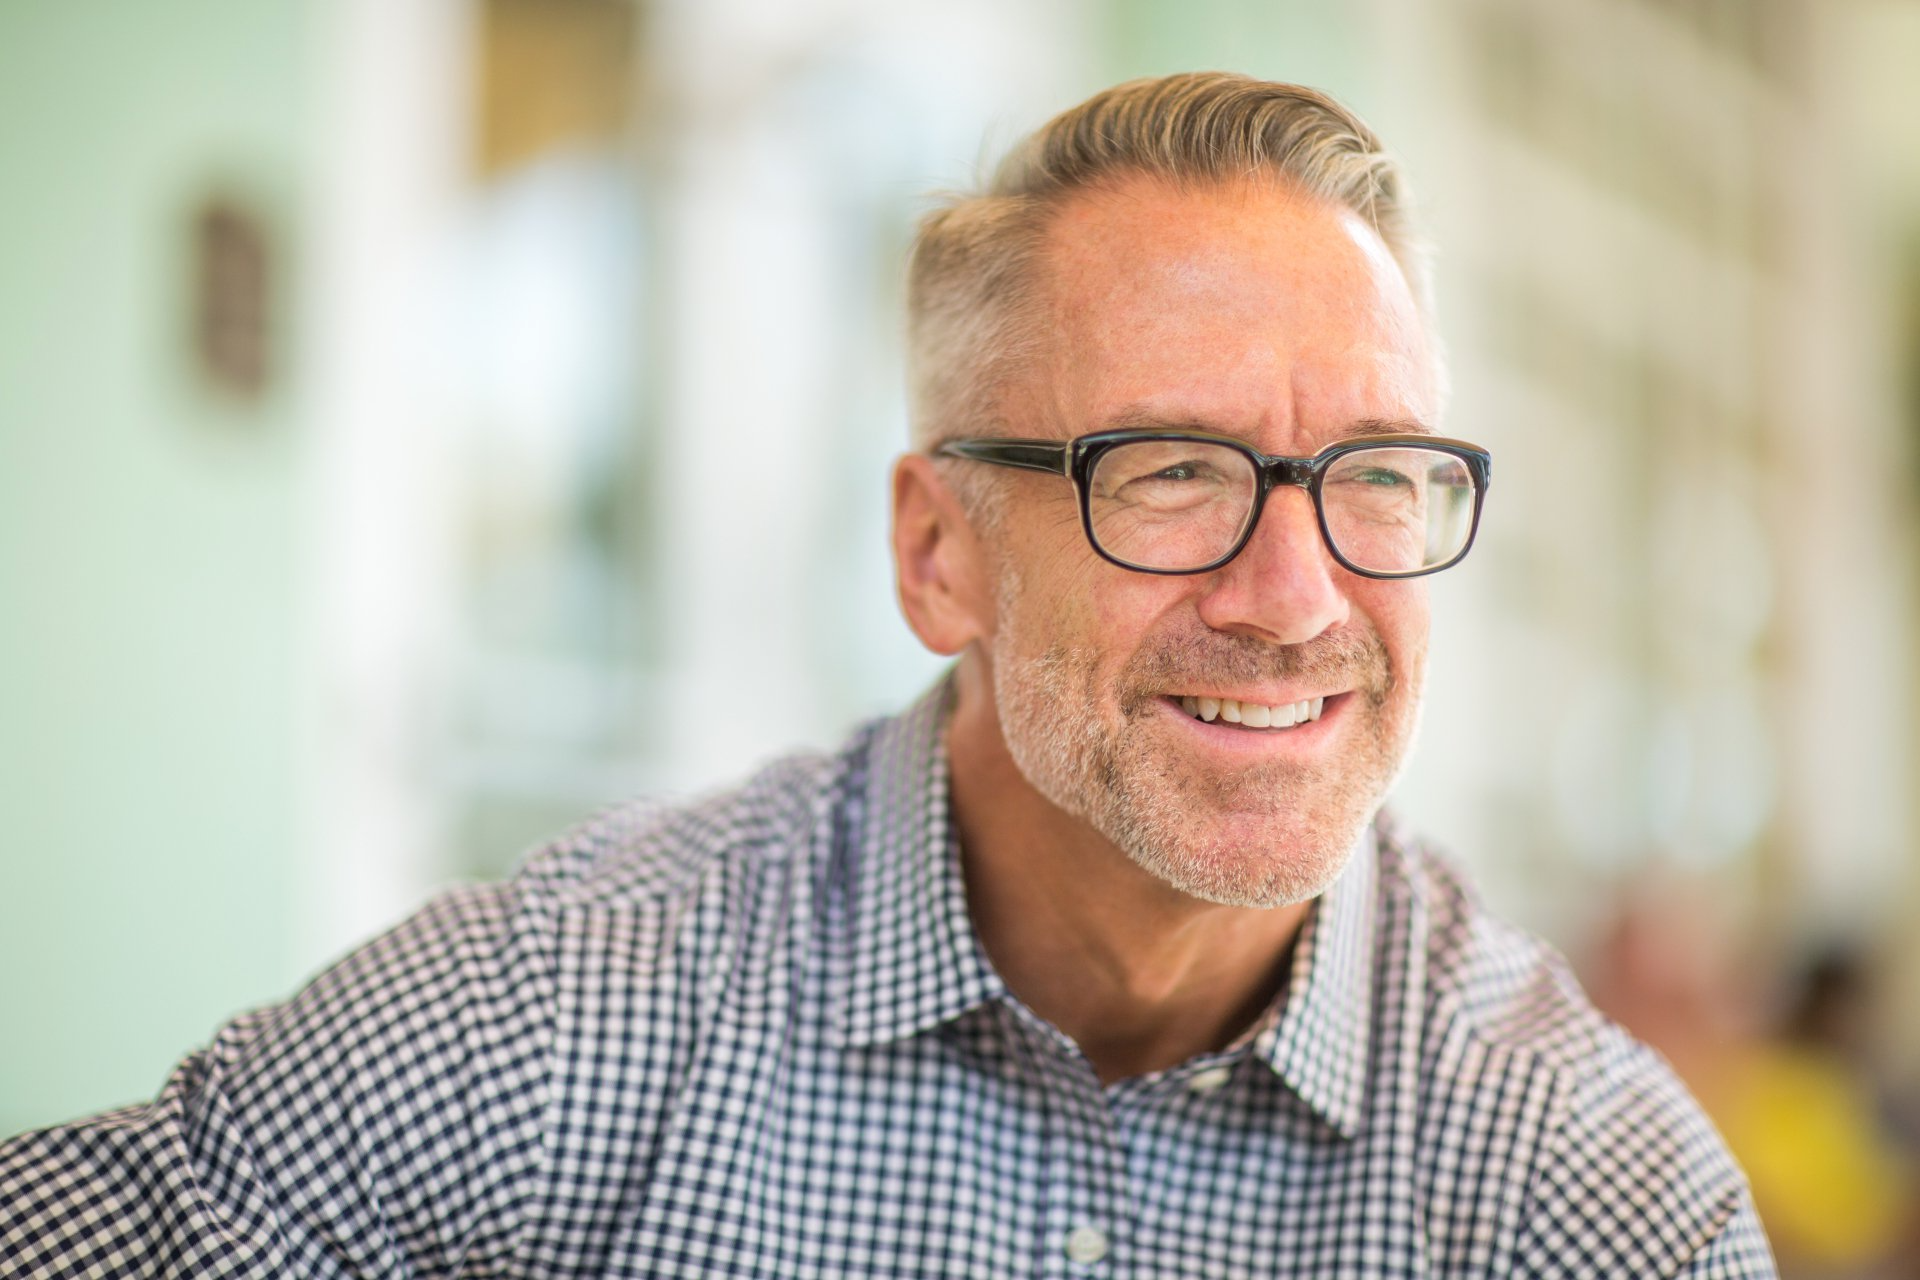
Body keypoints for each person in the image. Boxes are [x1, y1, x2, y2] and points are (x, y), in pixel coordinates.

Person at [1, 73, 1774, 1278]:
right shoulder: (572, 1022)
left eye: (1378, 474)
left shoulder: (1580, 1192)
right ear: (940, 552)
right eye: (1171, 472)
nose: (1297, 595)